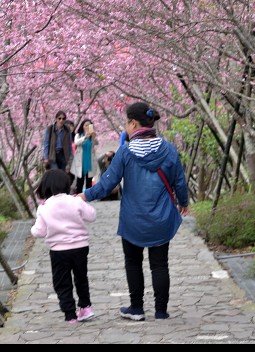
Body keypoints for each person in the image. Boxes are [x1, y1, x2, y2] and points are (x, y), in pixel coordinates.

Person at [81, 102, 189, 321]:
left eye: (126, 123)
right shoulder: (168, 149)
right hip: (162, 217)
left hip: (133, 219)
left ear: (132, 123)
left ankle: (137, 308)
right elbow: (179, 181)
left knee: (133, 262)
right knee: (160, 264)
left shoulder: (126, 152)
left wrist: (84, 196)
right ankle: (160, 311)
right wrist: (183, 202)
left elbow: (107, 184)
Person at [31, 168, 97, 323]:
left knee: (62, 282)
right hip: (80, 247)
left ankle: (70, 314)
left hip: (59, 251)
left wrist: (32, 229)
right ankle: (85, 307)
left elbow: (39, 232)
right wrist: (81, 202)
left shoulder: (44, 207)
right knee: (81, 278)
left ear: (45, 186)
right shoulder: (75, 201)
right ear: (66, 184)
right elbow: (92, 216)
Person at [72, 119, 99, 193]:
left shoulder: (92, 135)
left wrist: (93, 137)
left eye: (89, 125)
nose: (87, 127)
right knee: (80, 181)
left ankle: (88, 196)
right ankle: (79, 196)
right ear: (82, 126)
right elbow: (76, 142)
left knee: (89, 181)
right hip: (81, 160)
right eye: (86, 125)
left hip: (89, 160)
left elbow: (96, 143)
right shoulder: (79, 135)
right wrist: (85, 137)